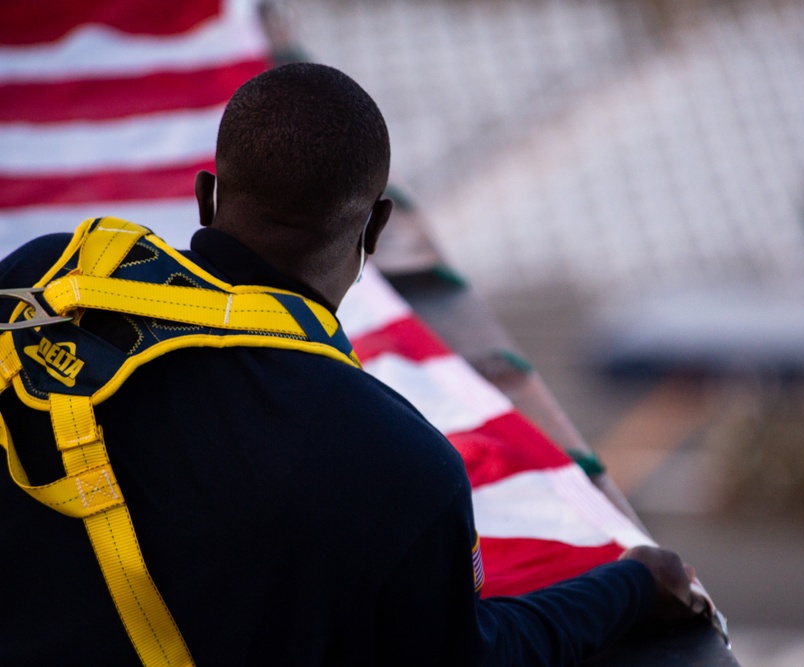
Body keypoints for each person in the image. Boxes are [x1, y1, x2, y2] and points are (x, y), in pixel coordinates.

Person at [0, 63, 706, 665]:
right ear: (375, 228)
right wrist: (633, 584)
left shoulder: (44, 280)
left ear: (206, 195)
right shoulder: (394, 463)